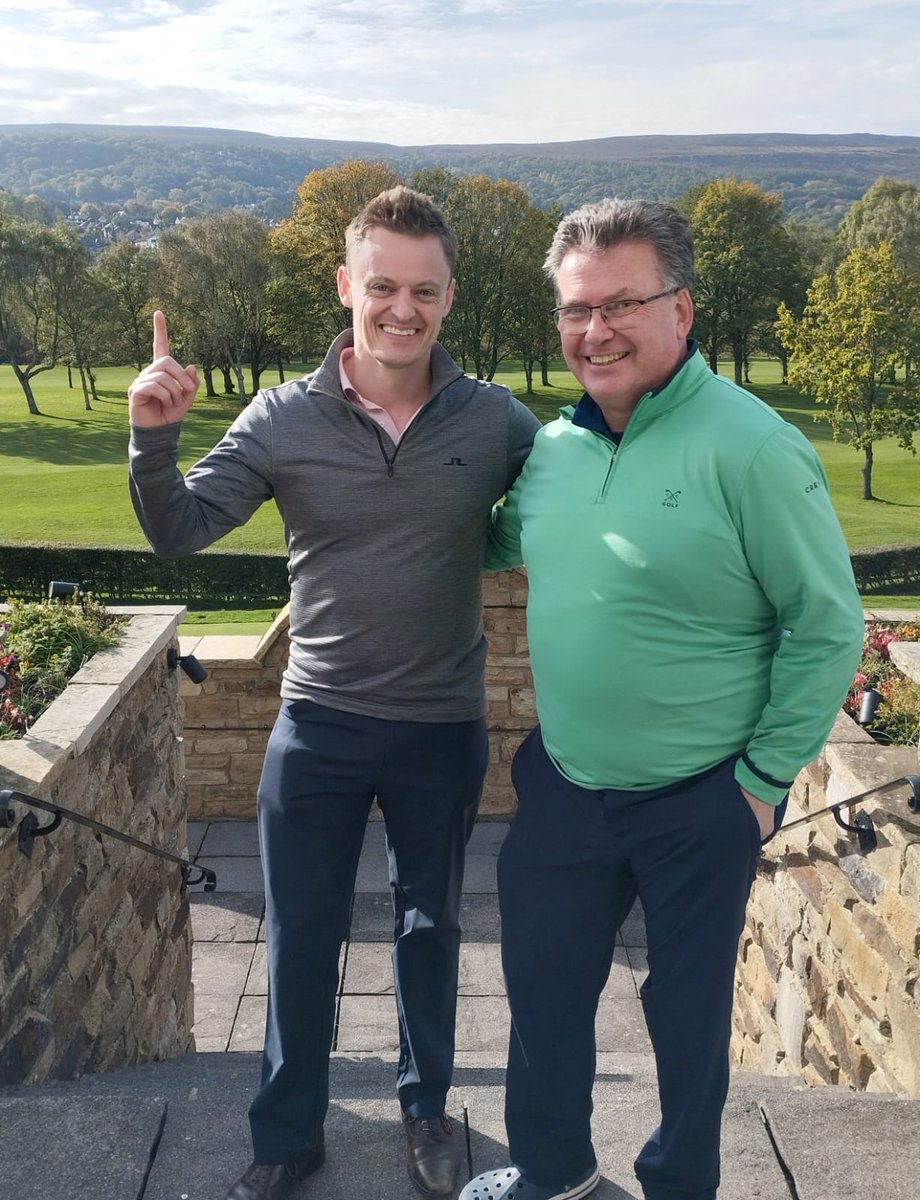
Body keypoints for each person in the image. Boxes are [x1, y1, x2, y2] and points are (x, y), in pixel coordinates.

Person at [127, 185, 541, 1200]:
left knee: (428, 933)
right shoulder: (280, 416)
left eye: (425, 290)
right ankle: (286, 1136)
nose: (402, 308)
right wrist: (152, 436)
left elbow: (577, 506)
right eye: (384, 285)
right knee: (303, 938)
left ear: (448, 296)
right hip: (314, 727)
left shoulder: (492, 419)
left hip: (440, 730)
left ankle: (425, 1113)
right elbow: (178, 531)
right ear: (346, 283)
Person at [460, 199, 865, 1200]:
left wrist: (762, 781)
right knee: (542, 998)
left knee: (685, 1025)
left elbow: (825, 623)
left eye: (619, 304)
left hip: (699, 799)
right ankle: (552, 1173)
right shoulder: (552, 450)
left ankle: (676, 1187)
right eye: (573, 310)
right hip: (564, 783)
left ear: (679, 311)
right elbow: (491, 542)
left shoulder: (750, 447)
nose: (591, 330)